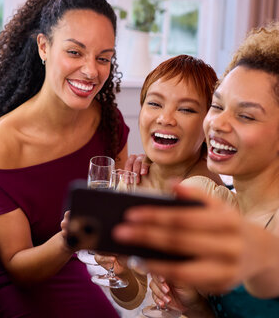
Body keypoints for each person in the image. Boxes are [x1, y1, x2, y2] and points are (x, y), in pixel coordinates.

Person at [112, 21, 279, 318]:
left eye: (246, 115)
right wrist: (193, 304)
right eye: (218, 107)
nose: (218, 124)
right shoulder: (226, 199)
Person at [0, 0, 129, 317]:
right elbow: (18, 267)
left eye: (103, 58)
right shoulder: (1, 146)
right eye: (75, 52)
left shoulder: (107, 121)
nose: (91, 71)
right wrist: (67, 240)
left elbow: (114, 214)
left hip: (78, 267)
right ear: (43, 47)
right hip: (21, 282)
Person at [95, 55, 230, 312]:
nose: (165, 118)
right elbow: (133, 298)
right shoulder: (131, 185)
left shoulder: (209, 195)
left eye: (186, 109)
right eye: (155, 103)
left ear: (208, 124)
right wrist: (120, 272)